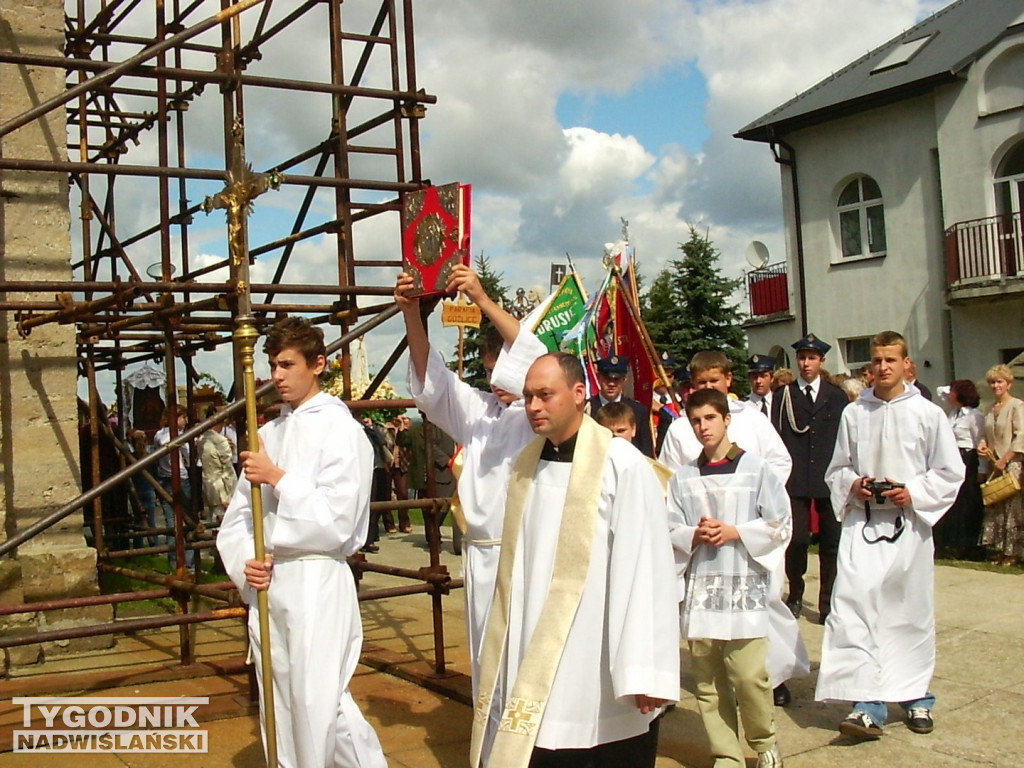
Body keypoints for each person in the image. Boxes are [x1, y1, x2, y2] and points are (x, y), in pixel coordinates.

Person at [471, 353, 679, 768]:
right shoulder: (525, 463)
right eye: (528, 396)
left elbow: (647, 568)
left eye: (545, 395)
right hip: (535, 644)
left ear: (579, 393)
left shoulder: (623, 465)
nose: (533, 406)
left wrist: (645, 670)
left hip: (597, 652)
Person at [216, 316, 386, 768]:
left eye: (287, 364)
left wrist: (278, 478)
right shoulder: (268, 433)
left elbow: (340, 520)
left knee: (320, 701)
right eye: (273, 364)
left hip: (317, 577)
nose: (276, 376)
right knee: (282, 700)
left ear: (318, 364)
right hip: (272, 582)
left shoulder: (342, 430)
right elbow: (237, 521)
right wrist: (245, 563)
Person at [395, 264, 547, 700]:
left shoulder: (542, 419)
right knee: (487, 659)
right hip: (482, 558)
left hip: (526, 552)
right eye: (489, 370)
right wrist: (411, 315)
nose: (497, 382)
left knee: (526, 660)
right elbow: (434, 385)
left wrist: (481, 299)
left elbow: (534, 353)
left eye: (506, 370)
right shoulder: (481, 413)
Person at [816, 330, 963, 741]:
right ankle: (866, 703)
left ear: (905, 365)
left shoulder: (927, 414)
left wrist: (912, 492)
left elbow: (950, 472)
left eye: (890, 360)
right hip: (863, 527)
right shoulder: (854, 413)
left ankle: (915, 695)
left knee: (907, 613)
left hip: (908, 527)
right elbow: (837, 469)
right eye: (877, 360)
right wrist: (854, 485)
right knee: (855, 610)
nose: (882, 367)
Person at [659, 350, 806, 708]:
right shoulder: (681, 428)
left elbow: (778, 462)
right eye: (701, 383)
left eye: (714, 381)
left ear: (728, 380)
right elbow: (669, 477)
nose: (708, 387)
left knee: (764, 604)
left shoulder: (752, 419)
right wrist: (696, 521)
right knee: (709, 611)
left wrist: (755, 503)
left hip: (752, 530)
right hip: (704, 535)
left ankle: (773, 676)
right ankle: (722, 677)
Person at [668, 388, 789, 768]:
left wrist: (735, 531)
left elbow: (780, 523)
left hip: (743, 585)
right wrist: (694, 534)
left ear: (726, 419)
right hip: (703, 588)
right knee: (708, 681)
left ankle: (764, 741)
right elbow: (668, 526)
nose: (703, 427)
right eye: (696, 421)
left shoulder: (755, 469)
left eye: (710, 418)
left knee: (749, 675)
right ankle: (726, 753)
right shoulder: (684, 477)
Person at [770, 333, 848, 623]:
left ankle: (828, 601)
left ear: (821, 361)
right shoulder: (784, 396)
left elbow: (843, 438)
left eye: (812, 357)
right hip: (796, 479)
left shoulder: (836, 396)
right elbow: (776, 438)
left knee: (831, 543)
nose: (806, 363)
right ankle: (796, 593)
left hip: (828, 477)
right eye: (802, 357)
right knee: (797, 540)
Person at [978, 364, 1024, 566]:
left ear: (1008, 384)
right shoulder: (989, 409)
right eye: (992, 382)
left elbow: (1021, 435)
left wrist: (1006, 458)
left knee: (1013, 509)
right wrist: (982, 445)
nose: (995, 385)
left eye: (999, 382)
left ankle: (1014, 552)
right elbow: (985, 434)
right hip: (993, 463)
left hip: (1012, 462)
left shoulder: (1017, 405)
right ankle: (1000, 550)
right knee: (996, 507)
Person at [934, 379, 987, 558]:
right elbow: (940, 391)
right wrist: (952, 391)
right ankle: (953, 542)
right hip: (954, 456)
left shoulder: (974, 415)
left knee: (968, 502)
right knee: (954, 501)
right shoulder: (954, 413)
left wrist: (982, 469)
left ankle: (968, 544)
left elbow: (980, 440)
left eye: (954, 391)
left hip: (969, 457)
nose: (950, 394)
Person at [586, 354, 655, 457]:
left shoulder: (638, 410)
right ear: (599, 377)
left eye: (616, 379)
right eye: (607, 378)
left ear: (624, 379)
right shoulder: (586, 409)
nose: (611, 384)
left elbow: (646, 451)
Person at [153, 408, 194, 569]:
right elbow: (190, 455)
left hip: (163, 477)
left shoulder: (159, 434)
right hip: (180, 478)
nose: (185, 420)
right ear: (175, 418)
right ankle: (188, 563)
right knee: (186, 520)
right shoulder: (179, 436)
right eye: (183, 417)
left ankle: (173, 562)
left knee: (171, 522)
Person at [198, 404, 236, 526]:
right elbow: (227, 469)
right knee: (224, 522)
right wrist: (227, 495)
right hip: (221, 487)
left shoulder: (202, 438)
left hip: (208, 484)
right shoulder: (220, 441)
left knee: (214, 519)